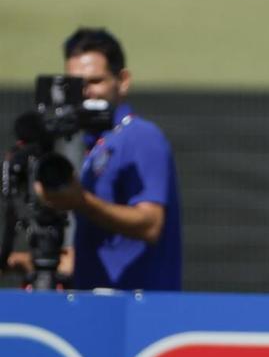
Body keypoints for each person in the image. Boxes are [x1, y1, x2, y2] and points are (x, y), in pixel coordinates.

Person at [35, 27, 183, 291]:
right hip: (101, 306)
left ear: (123, 81)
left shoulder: (140, 136)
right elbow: (105, 249)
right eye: (76, 84)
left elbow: (150, 224)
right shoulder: (97, 145)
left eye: (95, 81)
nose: (85, 92)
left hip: (136, 312)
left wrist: (81, 202)